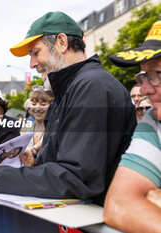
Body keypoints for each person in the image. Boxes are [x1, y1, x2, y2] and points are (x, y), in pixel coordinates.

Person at [0, 11, 136, 209]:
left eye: (35, 52)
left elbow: (76, 178)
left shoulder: (92, 86)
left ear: (61, 42)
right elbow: (64, 165)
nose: (32, 64)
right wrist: (35, 163)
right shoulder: (69, 91)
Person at [103, 16, 161, 233]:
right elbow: (119, 204)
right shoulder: (154, 120)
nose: (144, 90)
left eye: (158, 75)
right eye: (144, 76)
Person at [20, 87, 53, 166]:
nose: (37, 108)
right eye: (34, 104)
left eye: (43, 104)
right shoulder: (26, 127)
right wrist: (35, 149)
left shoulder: (54, 129)